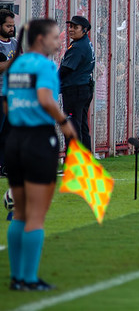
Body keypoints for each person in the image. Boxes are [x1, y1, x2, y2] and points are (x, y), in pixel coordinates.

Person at [3, 18, 78, 291]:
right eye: (55, 38)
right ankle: (29, 278)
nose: (59, 43)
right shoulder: (45, 65)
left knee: (19, 212)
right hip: (37, 141)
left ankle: (16, 278)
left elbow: (5, 104)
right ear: (39, 40)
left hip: (14, 140)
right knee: (36, 214)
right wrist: (64, 124)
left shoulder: (17, 64)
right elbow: (46, 99)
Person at [58, 16, 95, 149]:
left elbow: (65, 69)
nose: (71, 29)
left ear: (84, 30)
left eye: (75, 27)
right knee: (82, 125)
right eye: (71, 26)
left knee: (72, 125)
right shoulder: (85, 43)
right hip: (84, 88)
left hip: (75, 90)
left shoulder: (78, 47)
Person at [0, 9, 17, 177]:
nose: (11, 29)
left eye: (12, 25)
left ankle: (4, 165)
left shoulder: (14, 43)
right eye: (7, 25)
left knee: (9, 132)